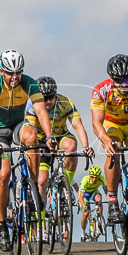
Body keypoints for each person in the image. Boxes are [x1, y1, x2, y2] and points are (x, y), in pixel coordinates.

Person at [0, 49, 56, 251]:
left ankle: (32, 190)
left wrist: (49, 136)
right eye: (10, 73)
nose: (14, 78)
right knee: (4, 174)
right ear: (1, 71)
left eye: (18, 73)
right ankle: (2, 224)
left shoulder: (29, 83)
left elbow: (41, 112)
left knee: (32, 137)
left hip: (17, 126)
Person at [90, 54, 128, 225]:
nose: (124, 84)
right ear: (111, 78)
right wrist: (106, 141)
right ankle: (112, 201)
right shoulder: (101, 90)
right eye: (119, 80)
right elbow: (96, 123)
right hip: (112, 124)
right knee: (114, 150)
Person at [22, 76, 94, 210]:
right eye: (44, 98)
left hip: (61, 136)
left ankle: (64, 185)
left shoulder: (65, 102)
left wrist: (86, 146)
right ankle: (41, 221)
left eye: (51, 97)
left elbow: (78, 126)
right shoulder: (32, 104)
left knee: (71, 146)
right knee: (42, 182)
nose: (48, 101)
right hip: (41, 141)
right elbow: (30, 127)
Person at [78, 164, 108, 240]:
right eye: (92, 177)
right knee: (86, 213)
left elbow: (106, 192)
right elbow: (81, 197)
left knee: (99, 199)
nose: (94, 179)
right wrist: (84, 205)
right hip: (84, 194)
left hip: (93, 191)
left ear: (99, 176)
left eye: (96, 177)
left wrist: (109, 201)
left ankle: (99, 219)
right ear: (89, 175)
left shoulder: (102, 179)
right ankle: (83, 232)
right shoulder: (85, 180)